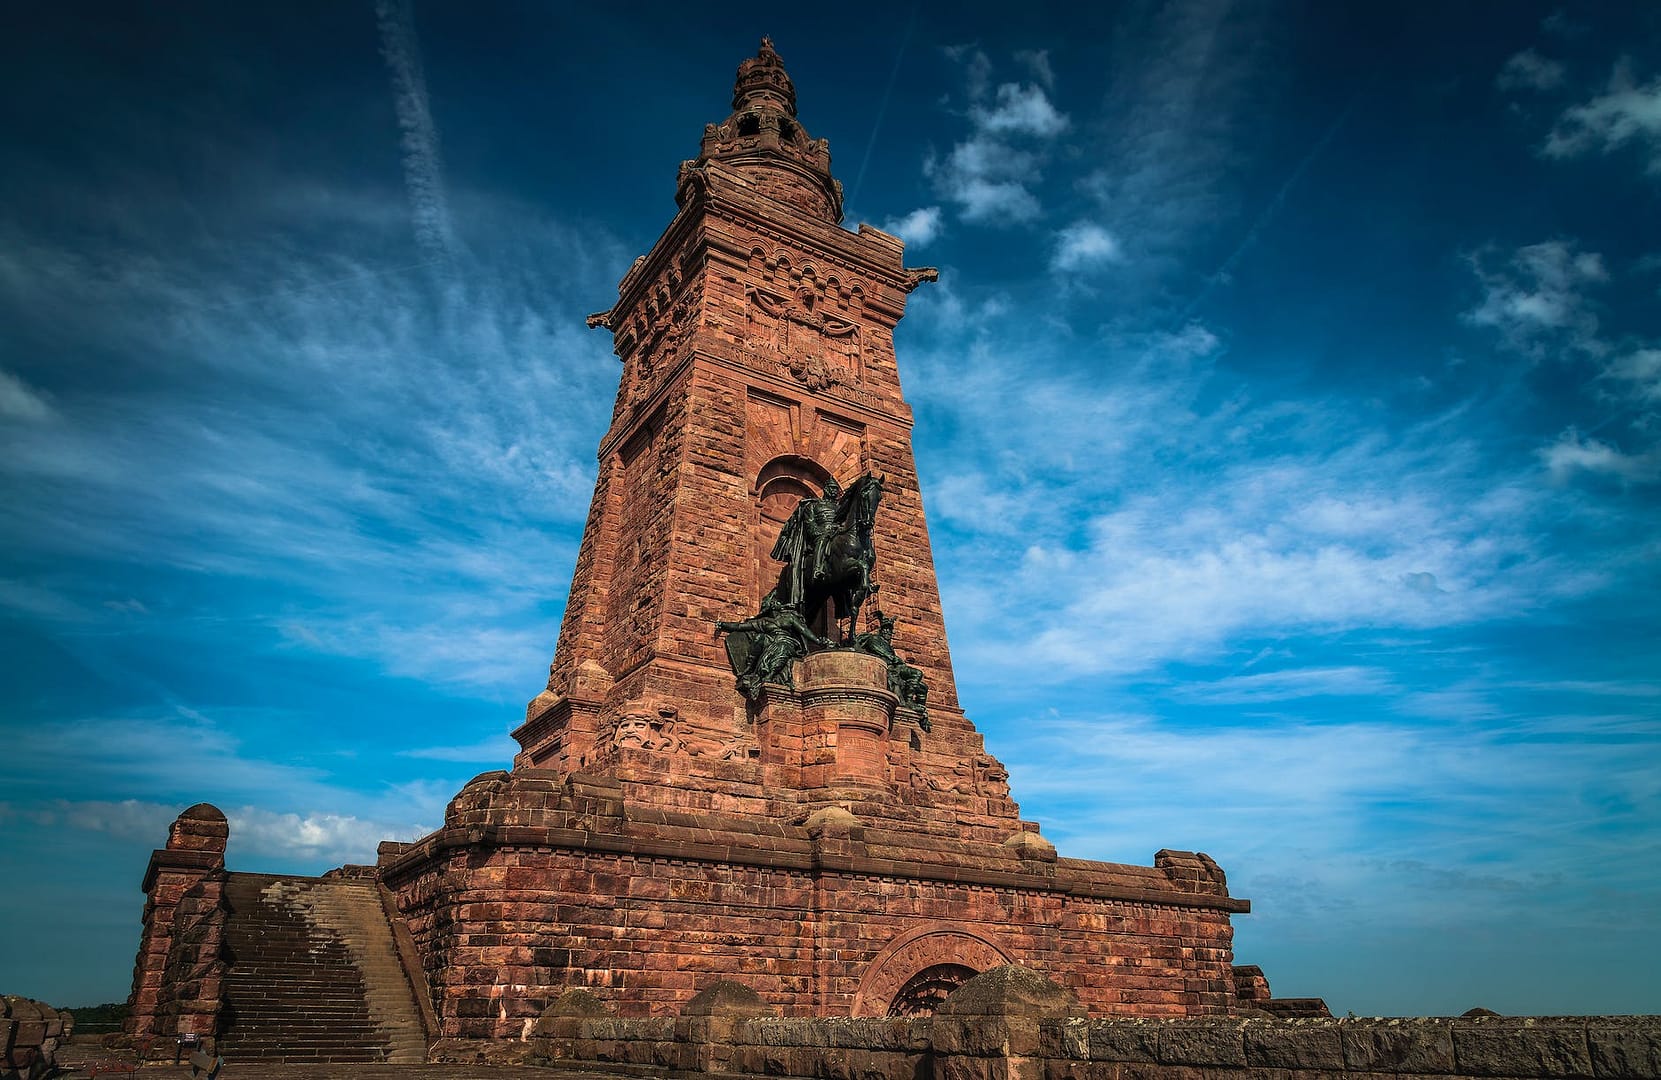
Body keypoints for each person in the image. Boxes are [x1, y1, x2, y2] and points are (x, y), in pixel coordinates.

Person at [716, 590, 832, 698]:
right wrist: (723, 625)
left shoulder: (789, 618)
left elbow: (804, 630)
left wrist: (818, 642)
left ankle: (770, 675)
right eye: (773, 602)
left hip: (787, 641)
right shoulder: (764, 622)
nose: (775, 603)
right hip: (771, 641)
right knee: (760, 638)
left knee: (782, 648)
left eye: (777, 601)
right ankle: (749, 667)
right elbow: (740, 626)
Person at [769, 478, 842, 605]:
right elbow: (810, 523)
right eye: (831, 488)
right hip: (819, 536)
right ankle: (817, 569)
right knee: (822, 540)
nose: (833, 491)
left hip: (836, 535)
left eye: (835, 489)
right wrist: (819, 532)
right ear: (825, 490)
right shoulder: (813, 505)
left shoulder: (840, 508)